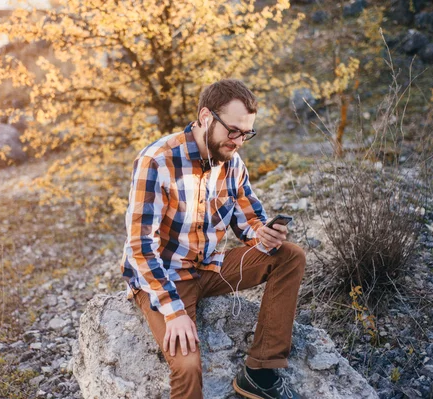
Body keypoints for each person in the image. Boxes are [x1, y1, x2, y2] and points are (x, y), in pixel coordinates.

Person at [120, 79, 306, 399]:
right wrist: (174, 312)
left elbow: (249, 219)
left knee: (290, 255)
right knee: (188, 366)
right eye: (233, 130)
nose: (238, 141)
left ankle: (259, 371)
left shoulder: (232, 163)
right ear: (206, 116)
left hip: (209, 267)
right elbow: (140, 247)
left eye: (246, 133)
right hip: (167, 276)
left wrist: (263, 232)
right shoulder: (157, 161)